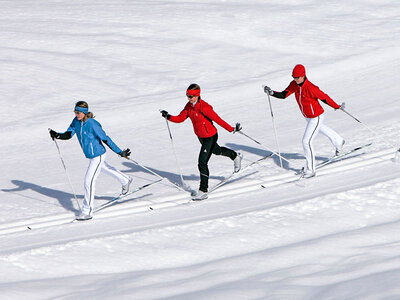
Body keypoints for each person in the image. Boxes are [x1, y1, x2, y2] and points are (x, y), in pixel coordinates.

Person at [49, 101, 132, 220]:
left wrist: (120, 152)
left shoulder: (93, 124)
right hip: (91, 155)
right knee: (105, 168)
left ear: (84, 113)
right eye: (75, 112)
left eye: (78, 112)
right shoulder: (76, 121)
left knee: (88, 181)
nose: (76, 114)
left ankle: (87, 211)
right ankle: (125, 180)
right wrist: (57, 135)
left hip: (98, 155)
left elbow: (106, 139)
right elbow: (68, 134)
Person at [161, 83, 242, 200]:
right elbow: (180, 118)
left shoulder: (204, 107)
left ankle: (203, 190)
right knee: (217, 151)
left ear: (197, 95)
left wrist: (231, 129)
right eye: (187, 96)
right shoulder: (188, 106)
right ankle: (235, 156)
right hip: (201, 136)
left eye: (191, 96)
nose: (189, 98)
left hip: (210, 136)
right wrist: (168, 116)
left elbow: (218, 119)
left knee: (202, 163)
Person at [264, 64, 345, 178]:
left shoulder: (311, 88)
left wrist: (336, 106)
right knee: (321, 129)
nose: (295, 79)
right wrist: (272, 93)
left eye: (297, 77)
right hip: (307, 116)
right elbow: (284, 95)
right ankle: (338, 141)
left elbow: (324, 98)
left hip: (316, 116)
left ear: (303, 75)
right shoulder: (294, 85)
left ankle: (310, 170)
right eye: (294, 77)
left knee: (306, 142)